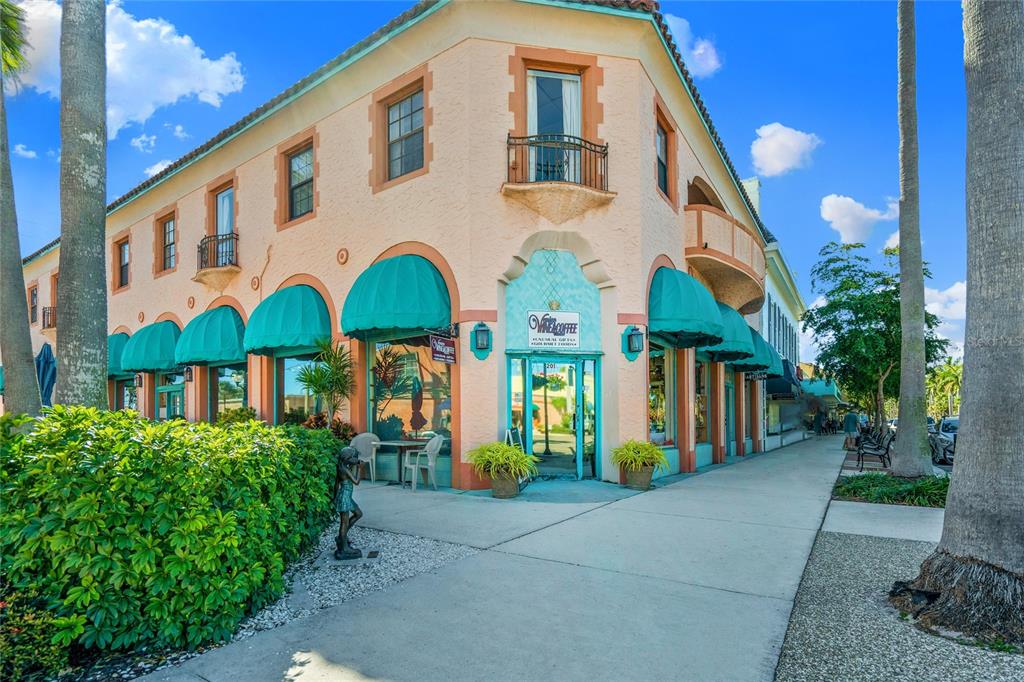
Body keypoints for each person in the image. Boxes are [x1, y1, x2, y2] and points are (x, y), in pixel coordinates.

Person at [333, 446, 364, 560]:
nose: (356, 459)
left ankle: (341, 537)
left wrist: (335, 497)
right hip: (345, 497)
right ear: (348, 458)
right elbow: (356, 482)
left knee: (358, 514)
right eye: (354, 457)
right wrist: (360, 468)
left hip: (345, 496)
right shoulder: (344, 469)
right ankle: (344, 548)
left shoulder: (341, 466)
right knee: (344, 523)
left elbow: (336, 484)